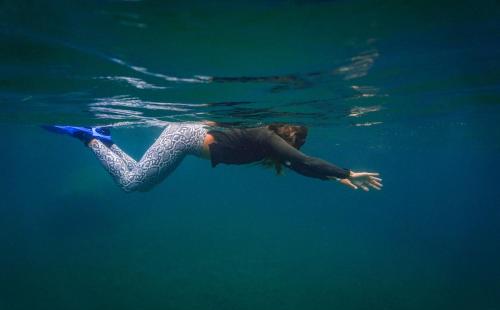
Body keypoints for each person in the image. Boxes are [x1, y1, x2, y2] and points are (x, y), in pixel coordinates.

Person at [43, 122, 382, 193]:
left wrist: (337, 177)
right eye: (296, 145)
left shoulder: (268, 143)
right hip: (180, 138)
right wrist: (346, 171)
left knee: (138, 177)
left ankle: (105, 141)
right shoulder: (265, 138)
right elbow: (303, 162)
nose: (295, 152)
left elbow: (298, 166)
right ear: (290, 139)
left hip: (184, 140)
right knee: (133, 184)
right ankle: (90, 138)